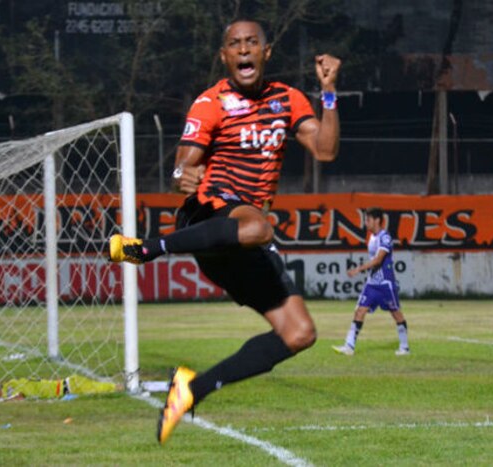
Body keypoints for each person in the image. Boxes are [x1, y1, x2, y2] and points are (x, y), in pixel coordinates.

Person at [107, 19, 341, 444]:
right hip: (207, 218)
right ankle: (147, 248)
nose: (244, 49)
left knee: (299, 332)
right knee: (259, 225)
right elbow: (185, 160)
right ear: (224, 56)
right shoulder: (211, 101)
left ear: (266, 53)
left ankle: (190, 391)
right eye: (235, 44)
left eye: (252, 43)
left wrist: (328, 93)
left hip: (242, 238)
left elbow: (324, 149)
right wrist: (182, 173)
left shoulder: (287, 99)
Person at [332, 207, 409, 357]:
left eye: (368, 220)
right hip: (372, 284)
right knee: (360, 311)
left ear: (377, 220)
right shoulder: (372, 237)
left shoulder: (384, 237)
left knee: (396, 314)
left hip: (385, 283)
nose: (365, 223)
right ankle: (349, 346)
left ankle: (404, 347)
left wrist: (358, 269)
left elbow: (379, 259)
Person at [0, 375, 121, 402]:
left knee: (112, 389)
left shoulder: (8, 390)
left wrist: (1, 403)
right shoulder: (9, 384)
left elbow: (20, 398)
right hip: (69, 386)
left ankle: (134, 386)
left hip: (71, 387)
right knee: (107, 390)